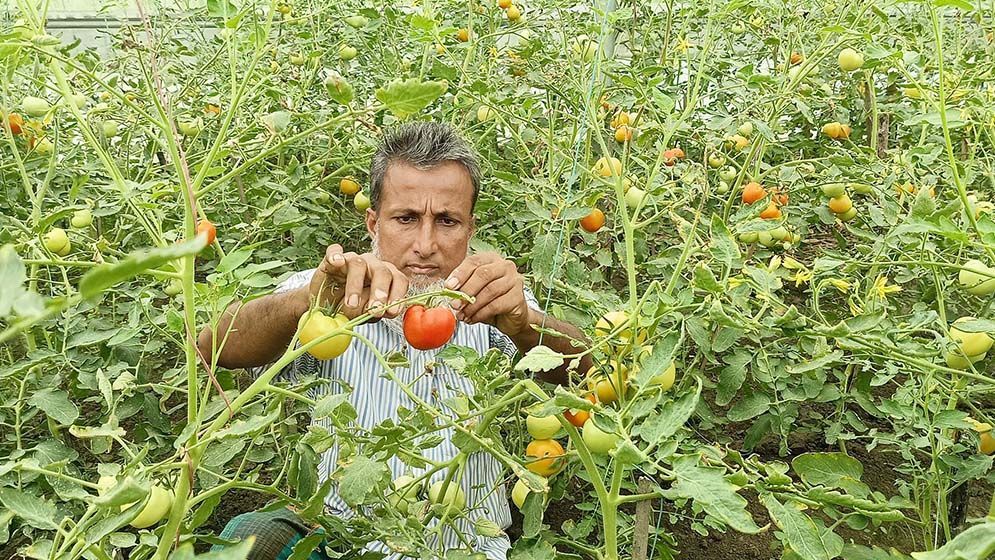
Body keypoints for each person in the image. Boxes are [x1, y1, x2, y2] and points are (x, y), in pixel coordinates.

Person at [198, 121, 593, 560]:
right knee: (254, 538)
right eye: (406, 219)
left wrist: (526, 326)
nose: (425, 244)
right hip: (336, 539)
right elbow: (214, 346)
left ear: (470, 228)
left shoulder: (490, 300)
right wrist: (306, 304)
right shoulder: (329, 292)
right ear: (373, 223)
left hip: (464, 546)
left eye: (447, 221)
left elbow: (590, 376)